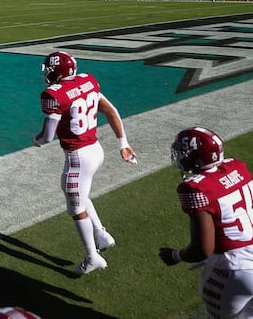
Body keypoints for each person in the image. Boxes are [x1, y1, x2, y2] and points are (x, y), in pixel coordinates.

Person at [32, 51, 138, 275]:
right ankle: (101, 234)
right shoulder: (88, 81)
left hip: (78, 157)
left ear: (56, 72)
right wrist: (123, 143)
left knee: (75, 207)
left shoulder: (54, 94)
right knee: (79, 194)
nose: (47, 74)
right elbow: (111, 110)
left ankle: (92, 257)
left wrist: (37, 140)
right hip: (95, 151)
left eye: (49, 70)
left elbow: (48, 136)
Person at [159, 127, 253, 318]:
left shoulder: (194, 188)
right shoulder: (238, 166)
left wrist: (175, 255)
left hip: (233, 270)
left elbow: (203, 249)